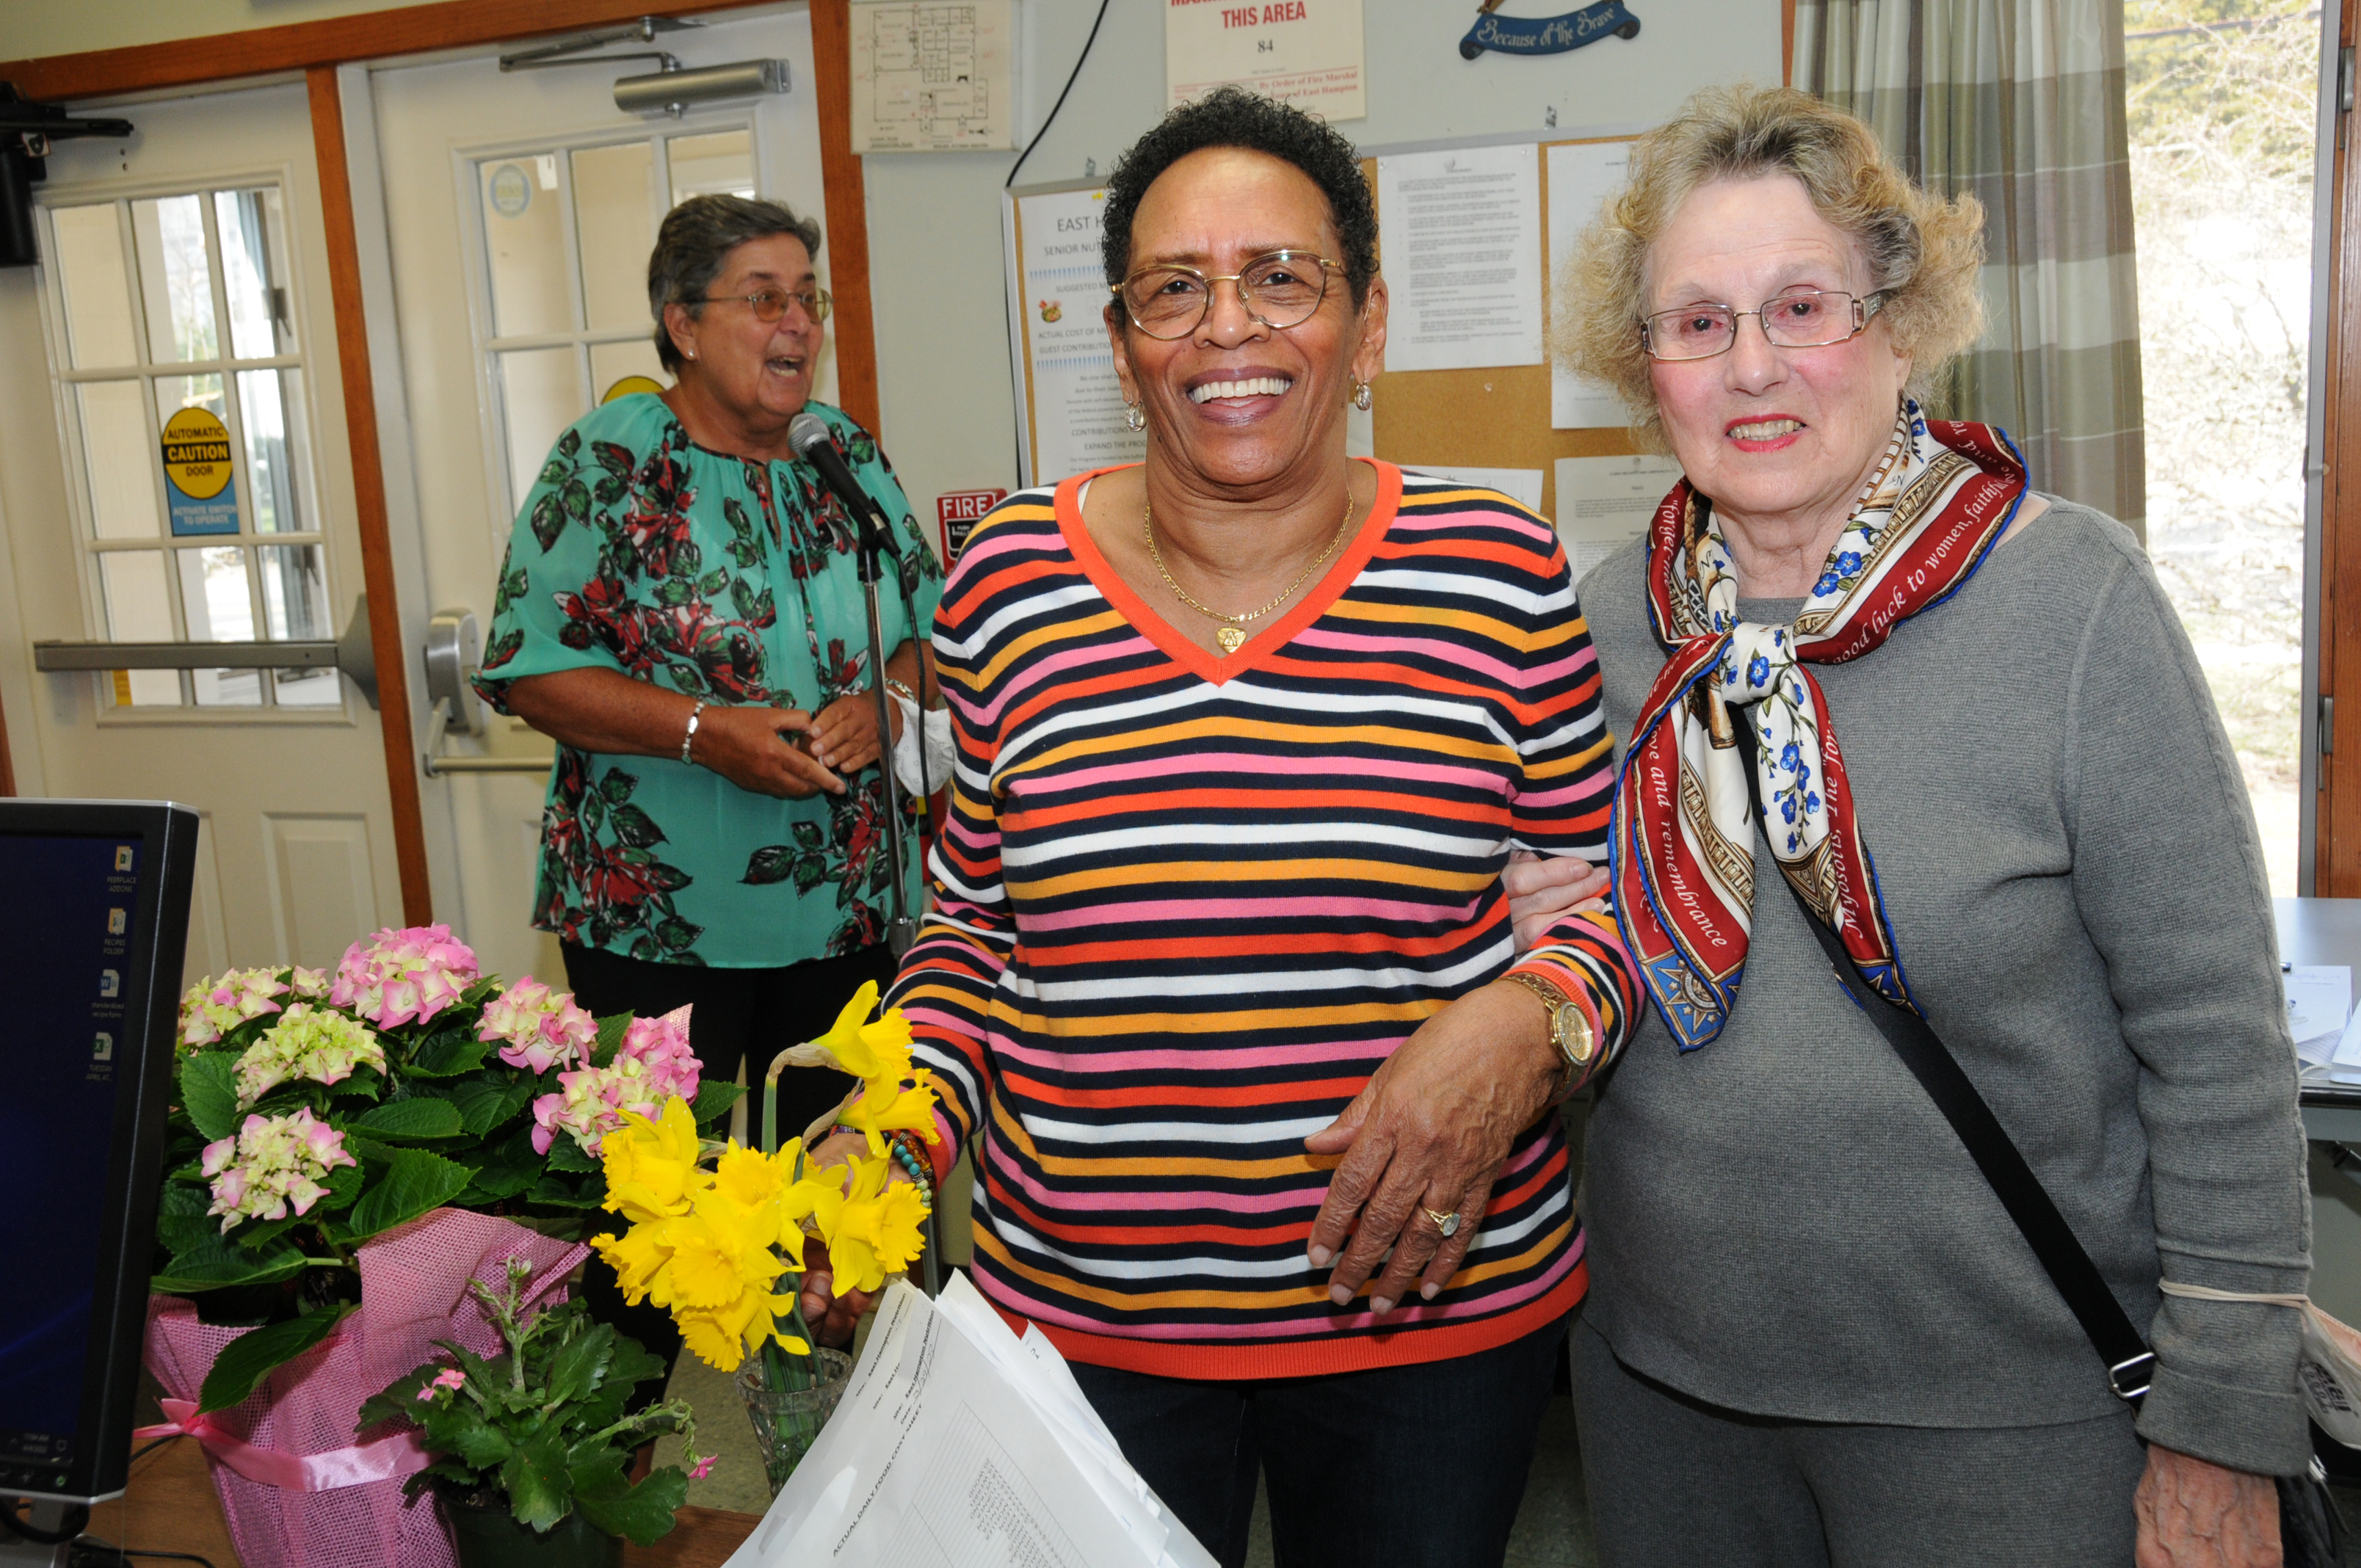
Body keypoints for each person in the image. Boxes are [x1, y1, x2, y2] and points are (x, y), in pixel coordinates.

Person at [793, 87, 1640, 1568]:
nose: (1226, 328)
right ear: (1121, 345)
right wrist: (901, 1116)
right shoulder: (1006, 581)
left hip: (1430, 1327)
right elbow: (973, 930)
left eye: (1281, 278)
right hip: (1082, 1329)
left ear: (1368, 327)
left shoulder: (1499, 570)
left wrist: (1529, 1023)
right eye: (1173, 289)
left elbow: (1597, 908)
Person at [1514, 84, 2310, 1565]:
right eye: (1698, 323)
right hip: (1661, 1400)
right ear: (1647, 368)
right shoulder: (1600, 624)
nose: (1753, 366)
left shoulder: (2074, 603)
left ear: (1898, 317)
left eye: (1800, 304)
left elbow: (2217, 1044)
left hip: (2013, 1423)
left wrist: (2221, 1419)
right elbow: (1574, 969)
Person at [473, 193, 945, 1361]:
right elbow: (528, 668)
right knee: (656, 1222)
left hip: (844, 907)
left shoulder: (846, 454)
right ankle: (616, 1464)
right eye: (763, 298)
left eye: (807, 299)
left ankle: (844, 1452)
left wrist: (883, 705)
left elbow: (940, 628)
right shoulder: (611, 462)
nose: (797, 324)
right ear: (682, 325)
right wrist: (706, 732)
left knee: (839, 1218)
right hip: (656, 919)